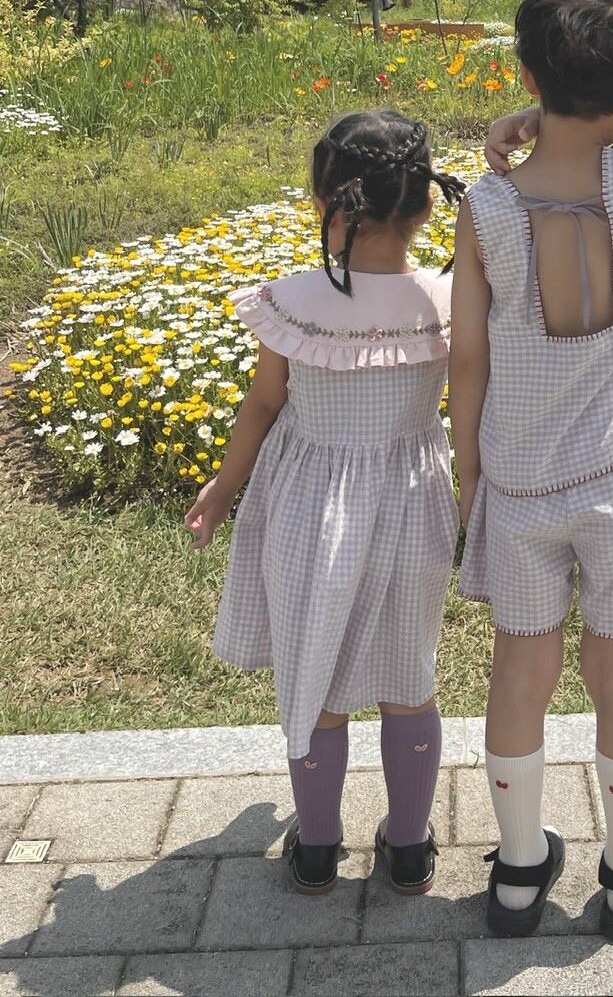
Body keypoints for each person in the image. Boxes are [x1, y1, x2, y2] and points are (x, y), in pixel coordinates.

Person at [449, 0, 613, 945]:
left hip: (519, 479)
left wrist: (469, 469)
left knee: (520, 670)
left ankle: (518, 872)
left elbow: (468, 355)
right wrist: (542, 114)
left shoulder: (486, 208)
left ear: (525, 68)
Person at [185, 110, 465, 897]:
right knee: (409, 677)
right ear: (427, 205)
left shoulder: (294, 302)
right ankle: (408, 849)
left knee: (318, 677)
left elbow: (262, 405)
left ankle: (315, 849)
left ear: (322, 203)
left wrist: (223, 487)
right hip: (413, 510)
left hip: (309, 510)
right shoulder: (447, 300)